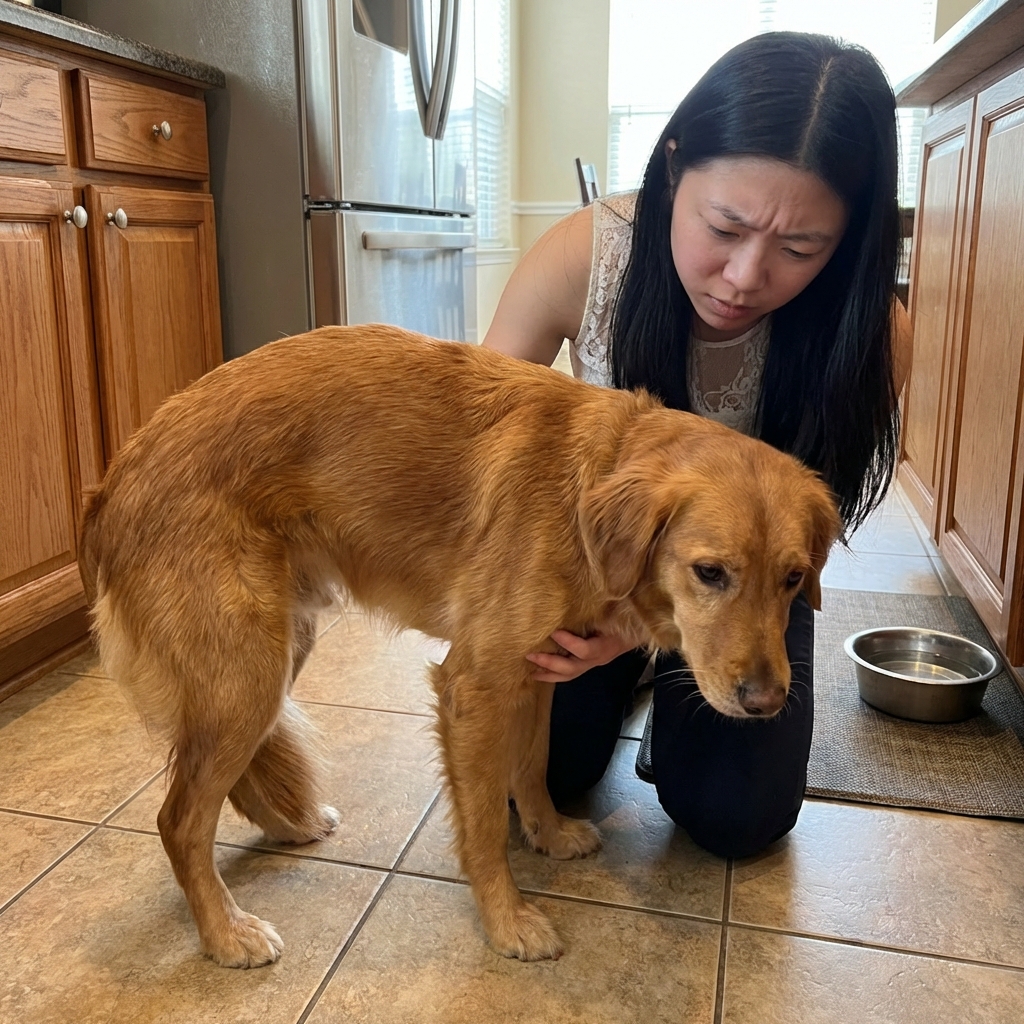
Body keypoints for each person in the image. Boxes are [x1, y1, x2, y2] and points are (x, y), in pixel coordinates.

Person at [483, 32, 914, 859]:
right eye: (725, 225)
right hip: (594, 568)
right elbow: (479, 449)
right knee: (534, 771)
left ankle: (662, 690)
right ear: (675, 166)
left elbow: (804, 545)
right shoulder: (587, 257)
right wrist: (607, 616)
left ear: (850, 236)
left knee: (734, 818)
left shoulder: (874, 337)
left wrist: (677, 622)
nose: (745, 276)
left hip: (748, 587)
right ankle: (642, 681)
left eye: (799, 249)